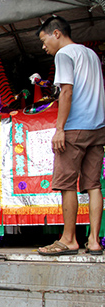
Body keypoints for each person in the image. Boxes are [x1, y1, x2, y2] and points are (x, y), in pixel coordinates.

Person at [36, 15, 105, 256]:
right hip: (98, 128)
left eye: (45, 40)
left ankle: (69, 239)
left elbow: (66, 92)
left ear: (57, 33)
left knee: (67, 185)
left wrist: (59, 128)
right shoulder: (91, 54)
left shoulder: (64, 54)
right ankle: (95, 241)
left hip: (76, 127)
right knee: (94, 185)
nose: (44, 47)